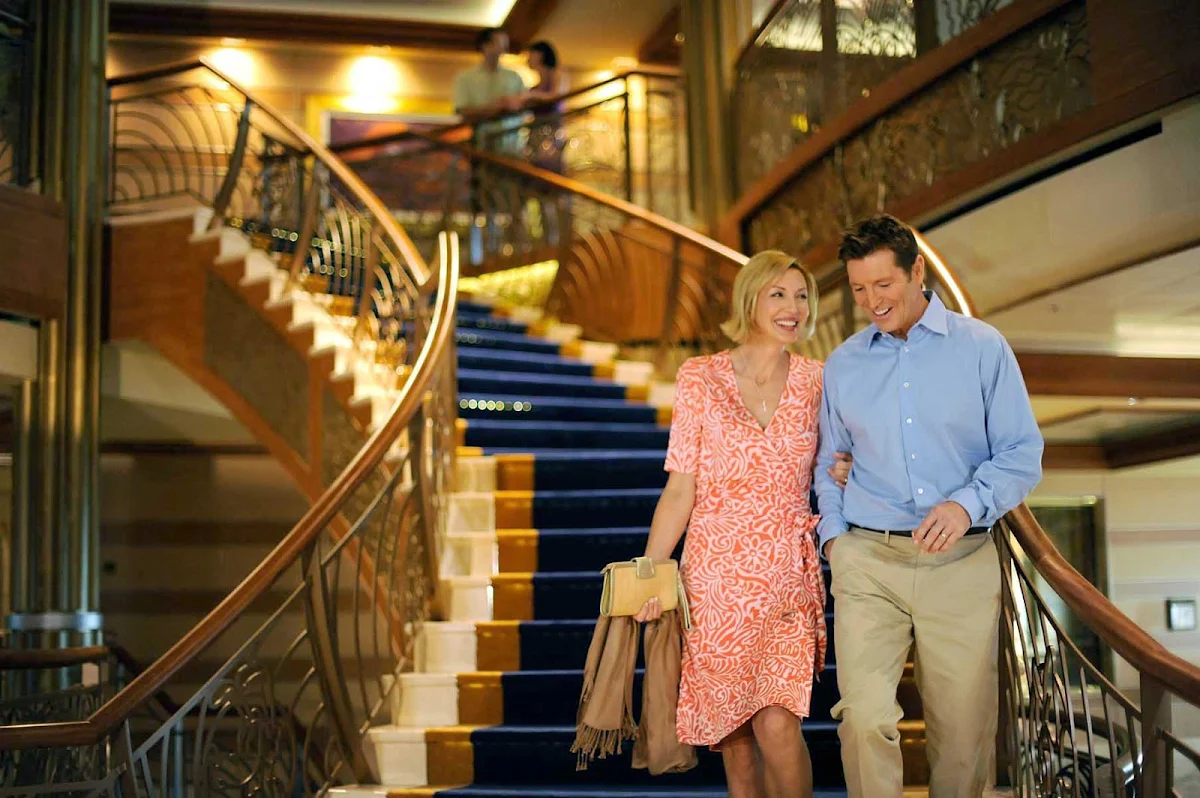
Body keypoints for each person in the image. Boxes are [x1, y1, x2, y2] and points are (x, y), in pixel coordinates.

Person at [814, 215, 1043, 798]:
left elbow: (1022, 452)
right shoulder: (842, 364)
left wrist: (967, 505)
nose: (871, 302)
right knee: (864, 719)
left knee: (963, 739)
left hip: (961, 565)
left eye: (883, 285)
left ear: (918, 271)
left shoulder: (982, 347)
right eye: (859, 289)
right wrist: (835, 538)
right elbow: (829, 460)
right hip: (867, 560)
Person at [636, 250, 850, 798]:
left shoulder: (818, 382)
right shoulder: (699, 378)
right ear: (749, 299)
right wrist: (652, 572)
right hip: (714, 581)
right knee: (734, 743)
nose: (793, 307)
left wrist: (850, 467)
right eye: (778, 294)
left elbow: (840, 462)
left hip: (786, 577)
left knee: (778, 725)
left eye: (802, 296)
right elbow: (680, 489)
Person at [452, 27, 526, 154]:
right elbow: (463, 110)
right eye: (500, 43)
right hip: (480, 144)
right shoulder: (465, 78)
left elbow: (525, 105)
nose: (504, 48)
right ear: (485, 45)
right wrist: (495, 108)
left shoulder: (514, 77)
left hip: (511, 145)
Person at [521, 40, 568, 173]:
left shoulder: (556, 73)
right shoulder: (536, 85)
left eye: (531, 53)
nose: (528, 58)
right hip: (536, 131)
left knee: (550, 166)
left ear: (540, 54)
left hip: (552, 130)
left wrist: (530, 96)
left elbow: (555, 96)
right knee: (535, 167)